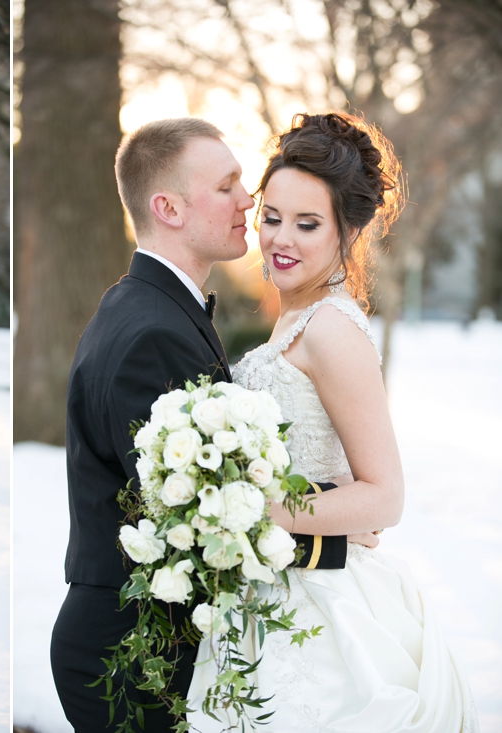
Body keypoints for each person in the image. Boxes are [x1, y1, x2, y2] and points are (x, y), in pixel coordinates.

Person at [50, 118, 356, 732]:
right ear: (168, 207)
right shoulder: (154, 333)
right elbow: (182, 516)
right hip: (130, 655)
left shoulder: (149, 306)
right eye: (227, 185)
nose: (249, 200)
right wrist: (335, 526)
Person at [186, 112, 478, 732]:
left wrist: (256, 509)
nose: (280, 239)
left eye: (307, 224)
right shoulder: (296, 318)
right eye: (271, 217)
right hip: (274, 589)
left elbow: (384, 495)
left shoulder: (332, 330)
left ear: (348, 231)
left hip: (325, 609)